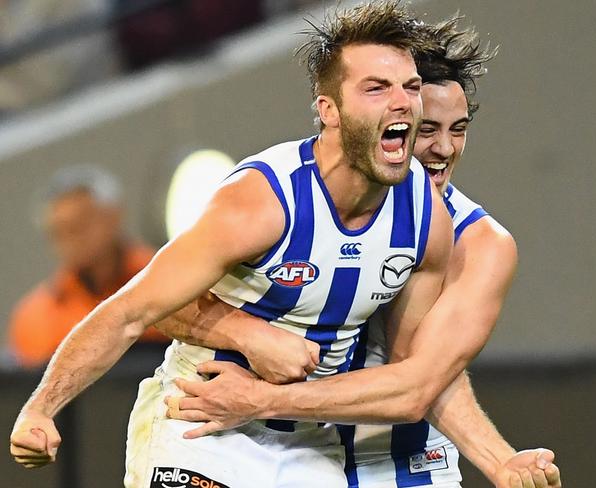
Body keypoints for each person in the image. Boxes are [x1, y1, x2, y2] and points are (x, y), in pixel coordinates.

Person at [10, 3, 454, 487]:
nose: (402, 103)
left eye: (410, 88)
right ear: (329, 110)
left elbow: (410, 386)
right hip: (201, 428)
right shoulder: (262, 200)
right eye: (376, 88)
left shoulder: (426, 219)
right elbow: (135, 309)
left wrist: (266, 400)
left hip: (311, 446)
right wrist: (39, 409)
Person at [158, 16, 561, 488]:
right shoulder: (300, 198)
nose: (443, 148)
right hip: (288, 449)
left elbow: (426, 374)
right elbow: (159, 300)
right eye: (426, 127)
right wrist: (249, 335)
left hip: (403, 460)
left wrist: (498, 461)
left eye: (459, 128)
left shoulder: (479, 243)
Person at [6, 165, 168, 369]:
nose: (70, 242)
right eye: (59, 233)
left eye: (80, 225)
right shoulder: (34, 317)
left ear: (113, 217)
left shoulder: (169, 279)